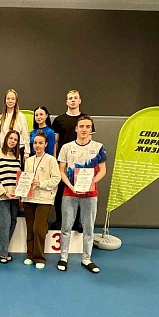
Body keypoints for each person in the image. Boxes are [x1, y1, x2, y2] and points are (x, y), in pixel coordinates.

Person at [57, 115, 106, 273]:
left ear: (91, 129)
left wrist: (91, 183)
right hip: (69, 193)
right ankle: (63, 257)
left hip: (90, 194)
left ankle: (86, 258)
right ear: (76, 129)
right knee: (66, 226)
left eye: (88, 126)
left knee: (88, 228)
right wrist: (71, 186)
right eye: (82, 126)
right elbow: (61, 170)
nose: (84, 129)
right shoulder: (66, 147)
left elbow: (103, 170)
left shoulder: (99, 147)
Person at [51, 90, 95, 231]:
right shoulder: (59, 120)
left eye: (75, 98)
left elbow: (89, 141)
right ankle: (60, 220)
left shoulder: (86, 119)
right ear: (67, 101)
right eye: (70, 98)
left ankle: (78, 222)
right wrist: (55, 160)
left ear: (80, 100)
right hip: (63, 161)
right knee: (60, 191)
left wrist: (88, 161)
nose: (73, 100)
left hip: (80, 162)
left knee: (81, 191)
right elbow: (55, 142)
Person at [22, 131, 60, 269]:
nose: (37, 145)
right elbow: (25, 179)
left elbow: (56, 179)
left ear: (46, 144)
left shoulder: (51, 160)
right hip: (29, 198)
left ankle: (39, 258)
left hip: (44, 199)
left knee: (39, 229)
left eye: (40, 143)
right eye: (35, 143)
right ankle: (30, 255)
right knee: (30, 228)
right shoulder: (28, 161)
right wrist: (22, 194)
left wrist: (41, 184)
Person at [0, 130, 21, 263]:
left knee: (13, 222)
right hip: (2, 196)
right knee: (4, 223)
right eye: (11, 138)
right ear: (6, 138)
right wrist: (3, 192)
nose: (12, 141)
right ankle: (2, 253)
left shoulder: (17, 156)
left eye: (15, 139)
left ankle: (1, 249)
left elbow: (19, 176)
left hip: (14, 196)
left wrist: (19, 193)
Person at [0, 89, 29, 164]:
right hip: (5, 150)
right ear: (5, 100)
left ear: (16, 101)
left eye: (13, 99)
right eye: (8, 98)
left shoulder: (21, 116)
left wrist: (27, 153)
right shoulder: (1, 117)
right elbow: (1, 135)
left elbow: (25, 135)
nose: (10, 101)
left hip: (18, 150)